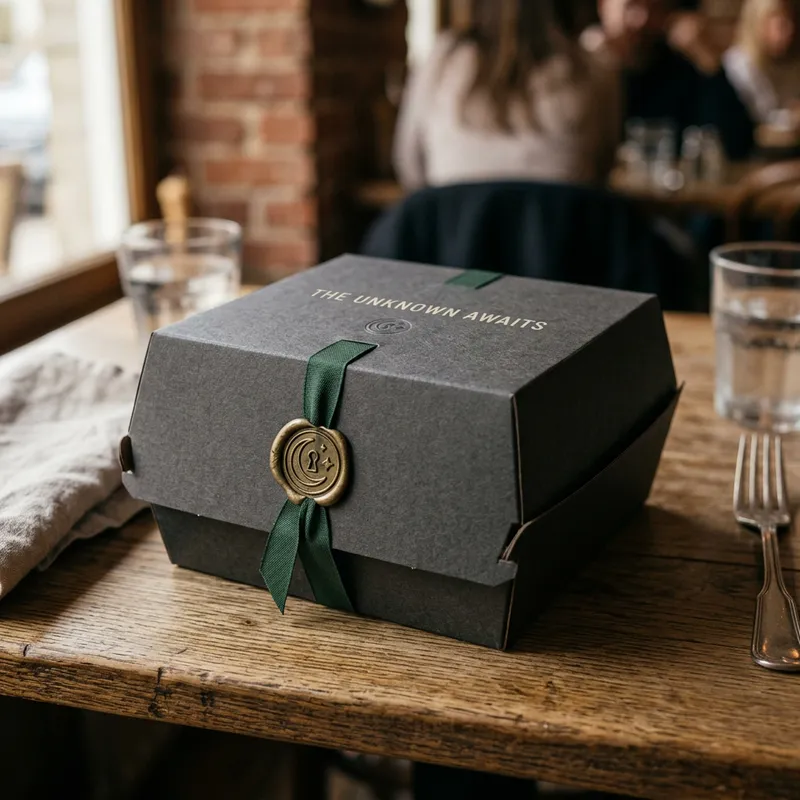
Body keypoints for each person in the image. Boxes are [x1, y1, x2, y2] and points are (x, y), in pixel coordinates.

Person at [392, 0, 620, 190]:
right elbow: (601, 171)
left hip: (455, 229)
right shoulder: (594, 70)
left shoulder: (442, 62)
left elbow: (410, 169)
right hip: (560, 230)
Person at [583, 0, 756, 159]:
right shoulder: (581, 68)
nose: (642, 20)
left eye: (655, 8)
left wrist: (708, 63)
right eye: (631, 6)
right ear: (603, 6)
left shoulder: (680, 68)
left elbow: (737, 143)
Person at [724, 0, 800, 123]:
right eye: (781, 24)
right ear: (757, 24)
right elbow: (759, 119)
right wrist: (792, 117)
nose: (791, 30)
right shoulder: (738, 65)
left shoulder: (779, 62)